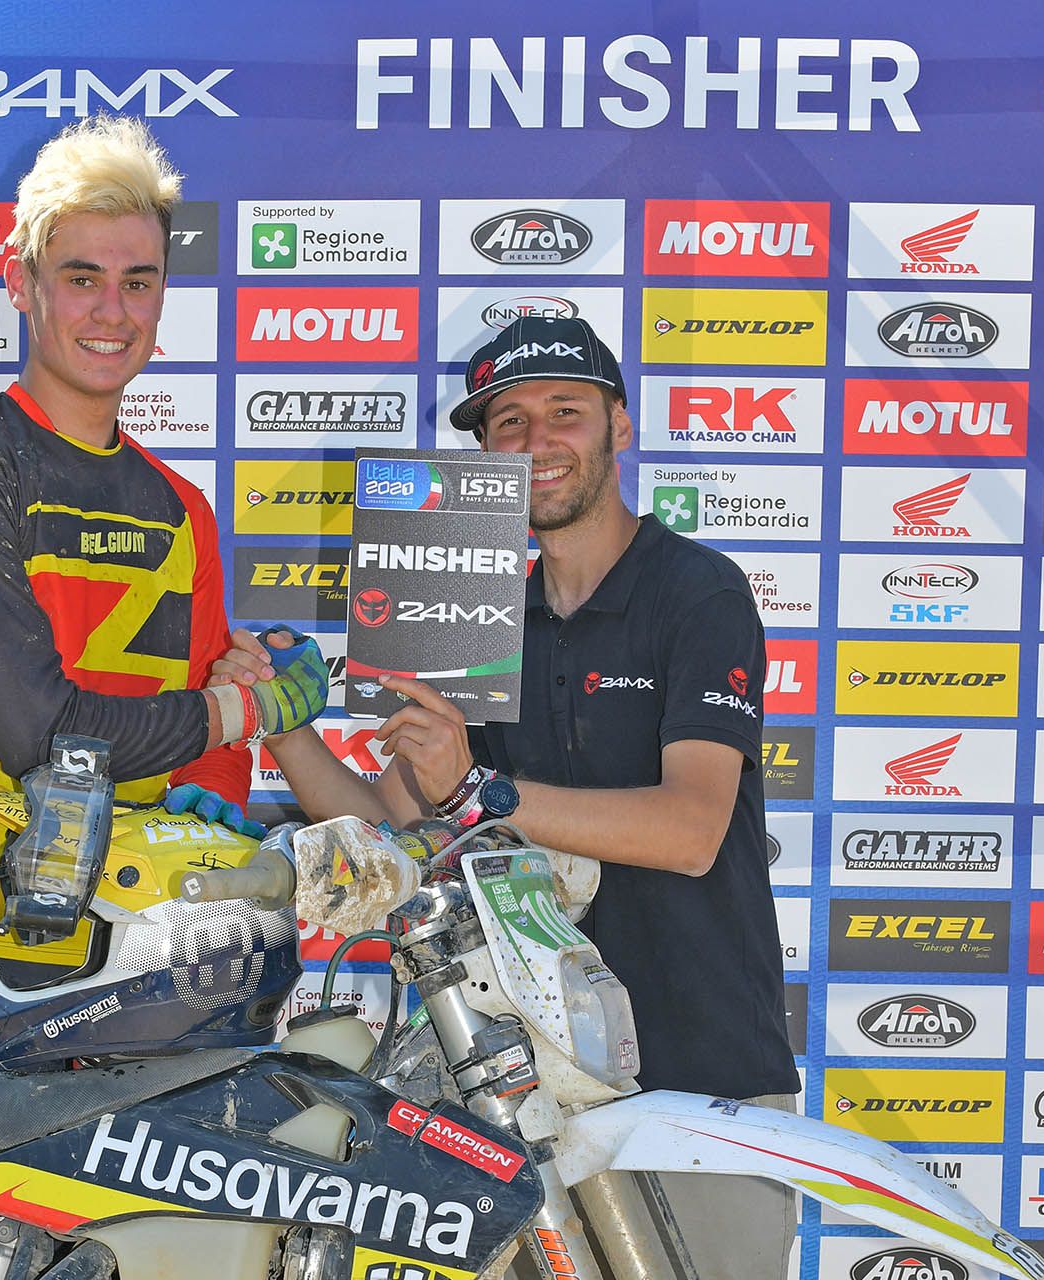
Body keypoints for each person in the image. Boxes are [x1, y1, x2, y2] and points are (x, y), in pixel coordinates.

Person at [222, 315, 799, 1278]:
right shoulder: (475, 614)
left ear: (619, 425)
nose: (539, 440)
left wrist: (479, 790)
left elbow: (692, 830)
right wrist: (282, 728)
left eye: (565, 412)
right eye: (510, 422)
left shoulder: (697, 591)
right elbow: (393, 824)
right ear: (486, 452)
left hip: (701, 1075)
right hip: (521, 1090)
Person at [0, 115, 328, 1069]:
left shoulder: (182, 508)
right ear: (21, 282)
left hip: (155, 953)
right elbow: (44, 738)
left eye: (138, 281)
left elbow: (209, 762)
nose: (111, 311)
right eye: (81, 278)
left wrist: (222, 763)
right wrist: (247, 708)